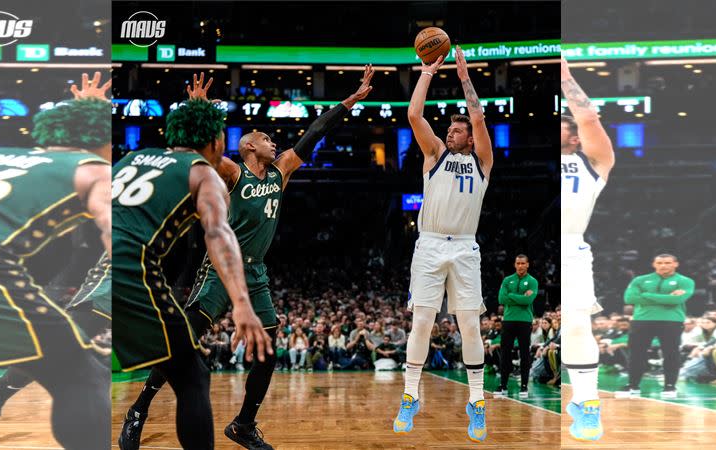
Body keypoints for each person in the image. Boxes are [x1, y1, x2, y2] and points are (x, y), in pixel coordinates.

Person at [119, 68, 374, 450]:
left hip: (256, 274)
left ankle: (243, 424)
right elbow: (201, 148)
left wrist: (348, 102)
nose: (275, 143)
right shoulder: (234, 173)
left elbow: (314, 133)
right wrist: (198, 108)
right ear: (249, 147)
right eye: (266, 139)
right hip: (222, 269)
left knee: (268, 351)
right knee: (183, 340)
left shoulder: (281, 172)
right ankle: (138, 409)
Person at [0, 73, 113, 450]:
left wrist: (88, 111)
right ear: (99, 142)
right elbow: (121, 243)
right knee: (83, 375)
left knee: (46, 348)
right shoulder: (95, 170)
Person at [112, 95, 272, 450]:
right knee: (194, 375)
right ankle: (138, 412)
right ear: (216, 142)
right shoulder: (203, 173)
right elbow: (217, 234)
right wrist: (241, 303)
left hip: (91, 279)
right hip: (134, 277)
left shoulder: (131, 158)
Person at [394, 45, 493, 442]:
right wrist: (427, 73)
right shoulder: (434, 153)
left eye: (456, 129)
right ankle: (409, 395)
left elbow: (478, 116)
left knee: (470, 325)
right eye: (449, 129)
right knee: (421, 321)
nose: (450, 131)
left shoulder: (482, 159)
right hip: (430, 245)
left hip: (465, 247)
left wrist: (465, 77)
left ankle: (477, 401)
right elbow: (413, 115)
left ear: (468, 137)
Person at [560, 56, 615, 442]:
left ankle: (587, 403)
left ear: (574, 136)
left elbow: (590, 119)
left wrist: (564, 76)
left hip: (573, 247)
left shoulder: (592, 162)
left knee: (579, 324)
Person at [619, 254, 695, 398]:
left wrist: (647, 295)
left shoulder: (685, 281)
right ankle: (632, 385)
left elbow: (678, 299)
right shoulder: (639, 280)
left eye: (667, 262)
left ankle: (670, 386)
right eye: (659, 263)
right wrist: (668, 298)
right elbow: (629, 298)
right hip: (642, 320)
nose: (663, 265)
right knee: (636, 354)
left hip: (671, 321)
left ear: (675, 264)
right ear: (654, 264)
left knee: (671, 354)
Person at [495, 255, 539, 398]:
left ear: (528, 265)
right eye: (518, 263)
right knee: (505, 354)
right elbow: (501, 299)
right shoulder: (507, 280)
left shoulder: (532, 281)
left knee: (524, 354)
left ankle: (524, 386)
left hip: (525, 321)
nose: (520, 266)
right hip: (508, 320)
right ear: (515, 264)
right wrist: (520, 297)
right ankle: (503, 385)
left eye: (523, 263)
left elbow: (529, 300)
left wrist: (511, 296)